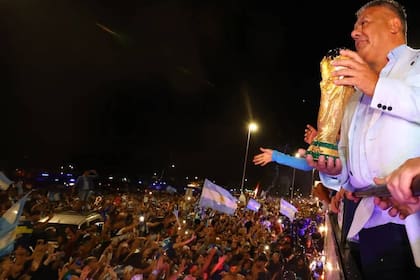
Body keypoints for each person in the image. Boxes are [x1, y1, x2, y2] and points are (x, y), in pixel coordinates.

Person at [305, 1, 420, 278]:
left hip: (413, 219)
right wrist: (332, 170)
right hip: (371, 222)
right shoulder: (353, 96)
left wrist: (377, 86)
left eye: (364, 23)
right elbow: (347, 168)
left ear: (394, 25)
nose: (354, 33)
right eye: (355, 27)